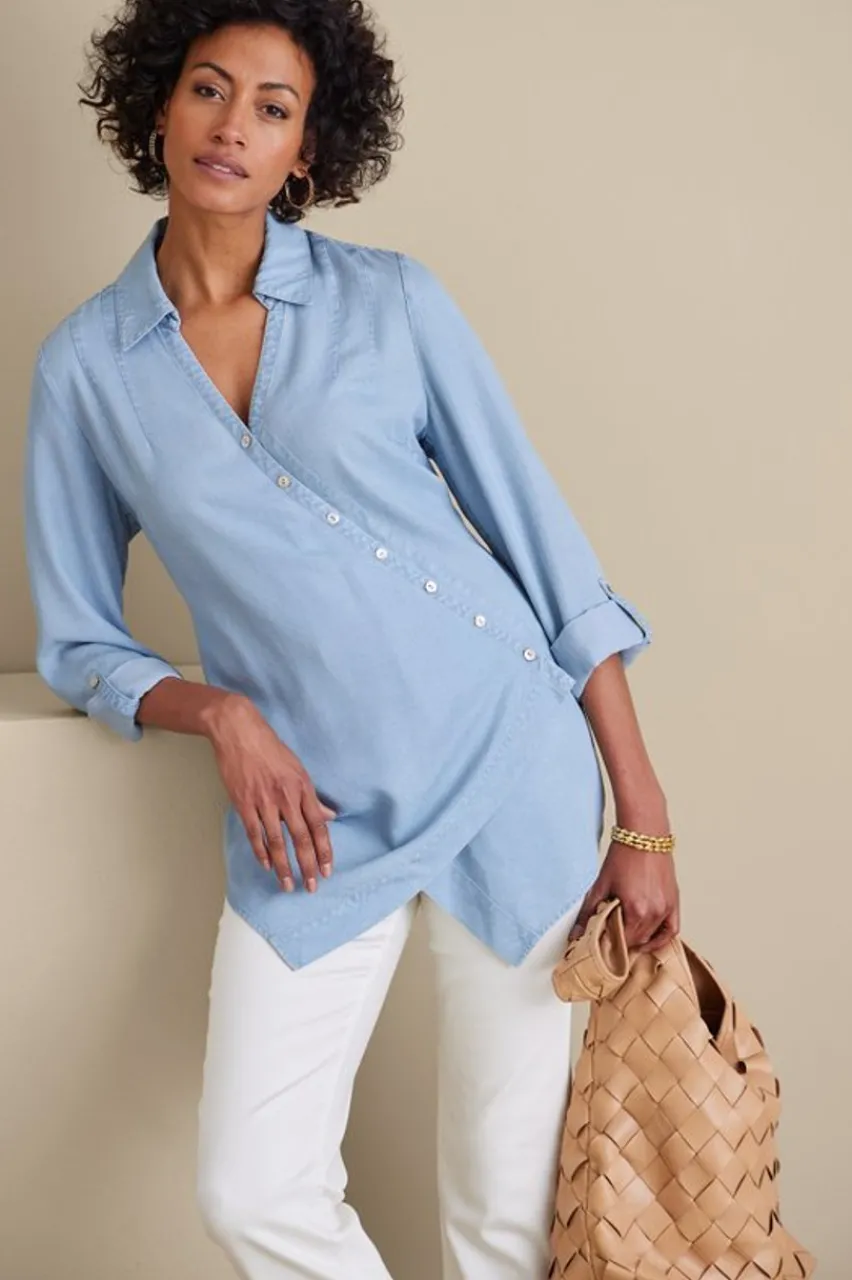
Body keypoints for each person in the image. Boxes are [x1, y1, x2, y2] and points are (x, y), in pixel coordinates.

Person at [23, 2, 680, 1277]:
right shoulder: (86, 369)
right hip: (313, 818)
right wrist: (220, 712)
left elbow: (550, 554)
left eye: (273, 108)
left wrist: (644, 819)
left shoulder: (392, 301)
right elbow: (79, 639)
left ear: (307, 151)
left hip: (508, 765)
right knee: (251, 1188)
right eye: (208, 89)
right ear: (156, 106)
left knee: (505, 1214)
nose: (233, 127)